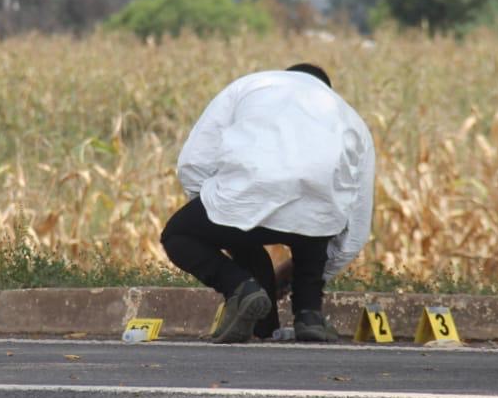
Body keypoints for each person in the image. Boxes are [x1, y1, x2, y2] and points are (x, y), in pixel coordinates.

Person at [160, 63, 375, 344]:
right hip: (317, 218)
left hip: (245, 192)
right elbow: (357, 217)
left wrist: (217, 208)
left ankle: (239, 287)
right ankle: (309, 315)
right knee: (319, 222)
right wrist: (322, 269)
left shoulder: (252, 84)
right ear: (325, 87)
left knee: (177, 235)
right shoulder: (348, 115)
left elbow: (196, 159)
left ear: (288, 74)